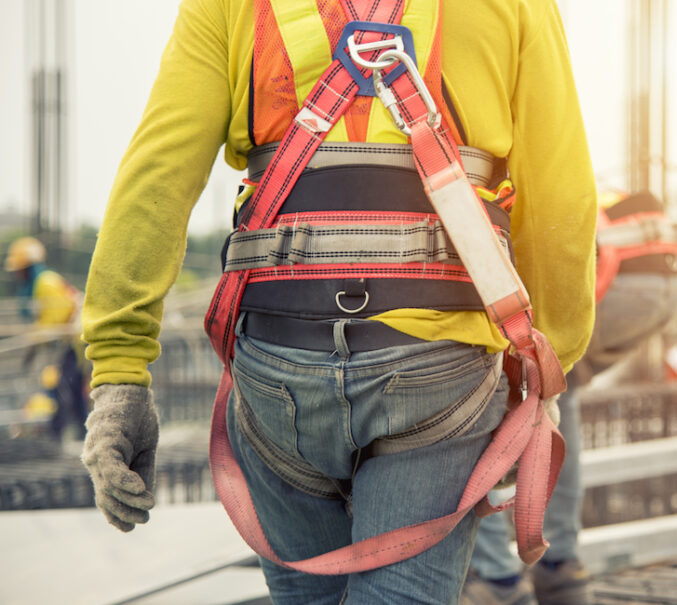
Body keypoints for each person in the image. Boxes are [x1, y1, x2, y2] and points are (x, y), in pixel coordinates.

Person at [78, 1, 596, 603]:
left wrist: (119, 374)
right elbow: (562, 195)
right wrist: (544, 375)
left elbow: (158, 173)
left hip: (277, 365)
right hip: (434, 366)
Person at [462, 191, 677, 605]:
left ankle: (497, 578)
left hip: (614, 277)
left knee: (477, 407)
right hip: (661, 280)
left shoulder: (478, 179)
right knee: (560, 398)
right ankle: (560, 568)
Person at [4, 236, 88, 441]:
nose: (17, 274)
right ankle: (80, 435)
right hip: (71, 343)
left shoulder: (46, 282)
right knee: (72, 390)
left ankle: (58, 437)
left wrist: (34, 343)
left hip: (73, 343)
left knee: (63, 388)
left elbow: (56, 320)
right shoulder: (43, 282)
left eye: (19, 269)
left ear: (28, 268)